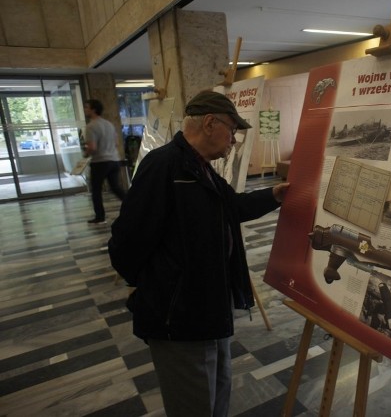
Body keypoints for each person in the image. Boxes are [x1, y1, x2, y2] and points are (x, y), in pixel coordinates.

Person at [108, 90, 289, 417]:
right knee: (194, 405)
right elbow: (126, 243)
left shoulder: (198, 167)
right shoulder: (164, 165)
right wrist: (161, 286)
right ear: (209, 123)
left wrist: (274, 195)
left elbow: (230, 207)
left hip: (208, 310)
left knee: (216, 395)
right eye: (232, 130)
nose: (233, 140)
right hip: (180, 318)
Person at [83, 99, 127, 224]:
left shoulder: (91, 126)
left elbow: (92, 147)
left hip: (100, 162)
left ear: (93, 109)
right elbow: (116, 143)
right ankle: (134, 204)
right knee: (116, 188)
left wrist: (85, 154)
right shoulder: (109, 124)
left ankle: (100, 217)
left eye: (87, 107)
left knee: (96, 190)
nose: (85, 110)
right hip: (114, 160)